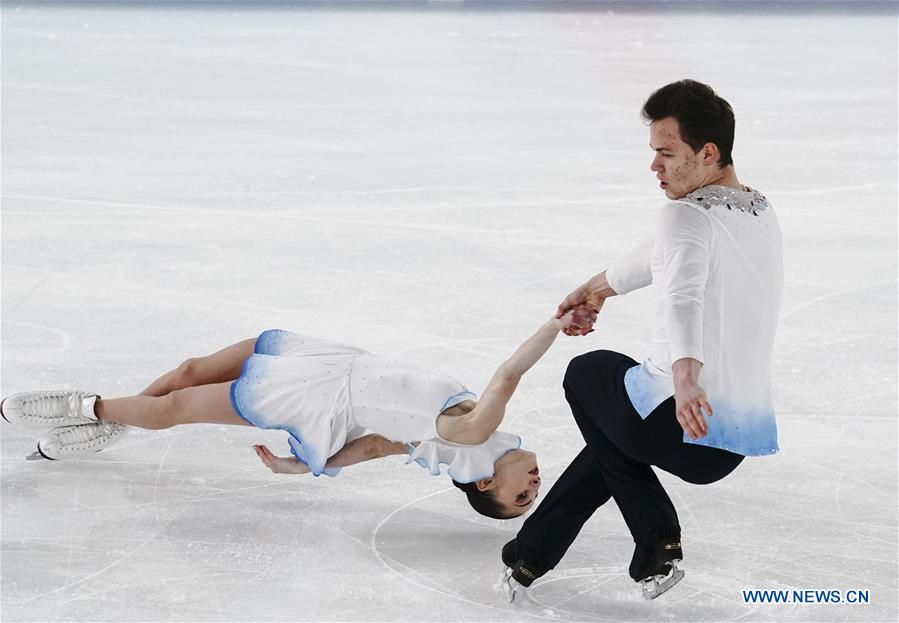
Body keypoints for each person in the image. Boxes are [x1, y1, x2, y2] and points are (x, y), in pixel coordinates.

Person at [500, 79, 783, 599]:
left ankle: (656, 538)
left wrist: (685, 373)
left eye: (666, 153)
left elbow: (683, 294)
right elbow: (663, 254)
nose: (654, 166)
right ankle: (529, 555)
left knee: (588, 372)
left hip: (680, 421)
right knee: (611, 434)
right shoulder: (757, 209)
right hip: (732, 442)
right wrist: (596, 289)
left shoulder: (684, 215)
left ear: (708, 151)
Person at [1, 308, 595, 520]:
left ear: (487, 483)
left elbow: (511, 374)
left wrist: (553, 323)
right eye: (533, 497)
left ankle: (84, 406)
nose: (535, 487)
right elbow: (378, 448)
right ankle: (111, 426)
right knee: (187, 371)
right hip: (333, 363)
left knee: (180, 406)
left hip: (319, 397)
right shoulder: (458, 449)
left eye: (522, 497)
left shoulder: (475, 434)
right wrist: (310, 469)